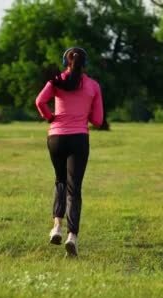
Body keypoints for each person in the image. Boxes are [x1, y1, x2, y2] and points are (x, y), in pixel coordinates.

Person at [35, 47, 104, 257]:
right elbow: (98, 121)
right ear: (85, 64)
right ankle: (72, 237)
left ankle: (56, 226)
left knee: (60, 181)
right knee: (75, 189)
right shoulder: (93, 85)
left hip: (56, 138)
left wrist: (50, 118)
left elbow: (40, 102)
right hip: (79, 139)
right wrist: (85, 112)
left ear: (66, 61)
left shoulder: (56, 81)